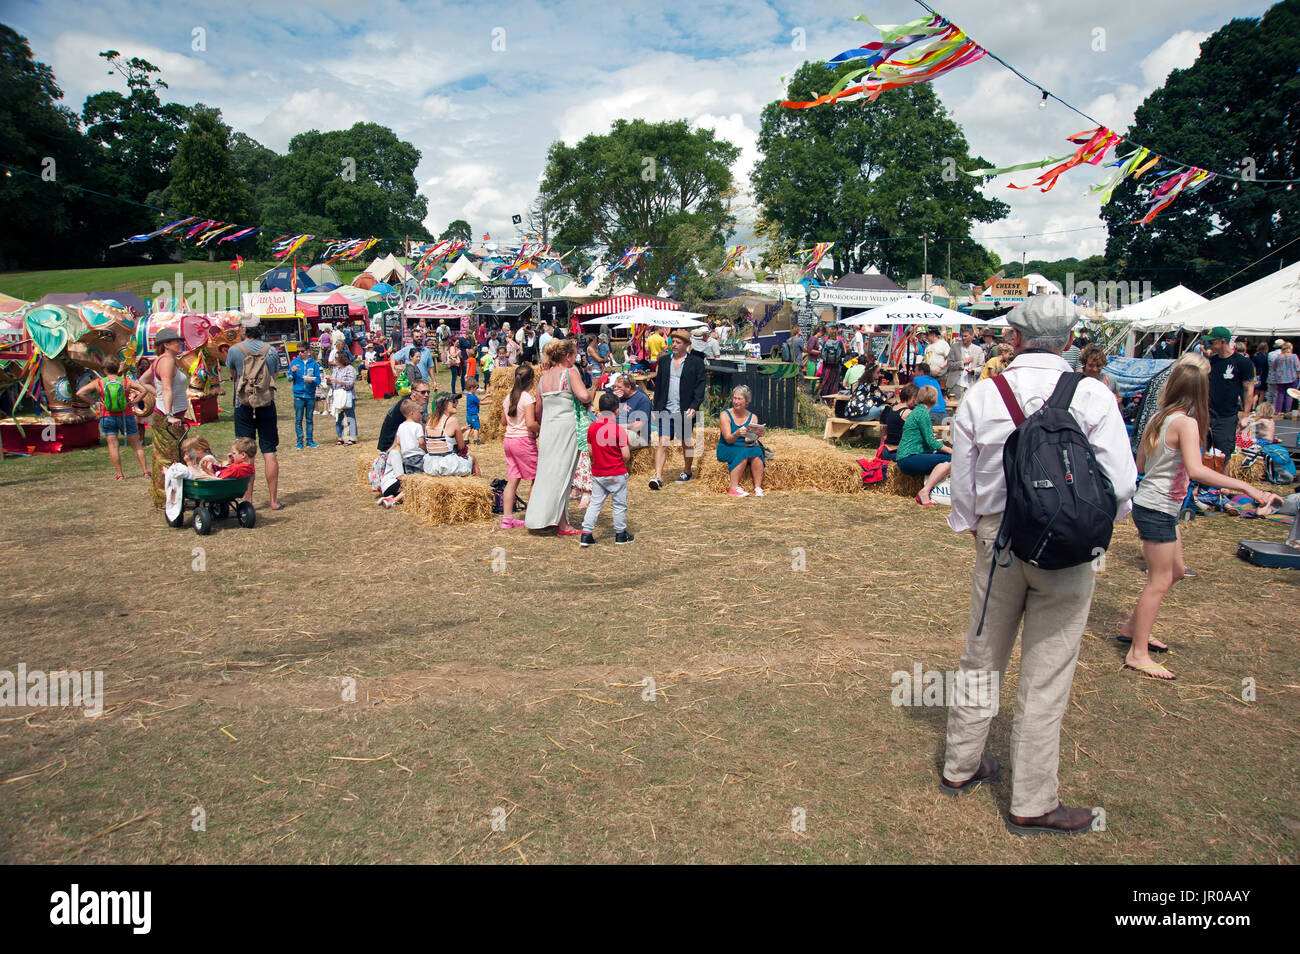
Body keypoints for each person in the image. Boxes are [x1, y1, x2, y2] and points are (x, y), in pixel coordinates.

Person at [941, 296, 1138, 836]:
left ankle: (961, 765)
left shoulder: (984, 393)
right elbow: (1122, 484)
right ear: (1070, 342)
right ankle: (1031, 800)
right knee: (1046, 673)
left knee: (982, 655)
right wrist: (1090, 526)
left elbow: (962, 480)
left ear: (1015, 339)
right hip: (1069, 549)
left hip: (998, 541)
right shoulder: (1095, 394)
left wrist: (972, 525)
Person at [1123, 362, 1280, 680]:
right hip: (1157, 508)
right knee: (1160, 581)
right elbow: (1196, 470)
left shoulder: (1159, 418)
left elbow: (1140, 461)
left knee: (1176, 572)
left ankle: (1133, 628)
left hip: (1157, 506)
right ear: (1200, 392)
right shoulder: (1185, 423)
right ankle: (1137, 653)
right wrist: (1248, 487)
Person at [525, 337, 590, 535]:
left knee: (546, 474)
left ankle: (542, 518)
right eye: (574, 355)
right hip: (566, 428)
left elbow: (538, 408)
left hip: (547, 429)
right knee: (564, 475)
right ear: (568, 356)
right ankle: (561, 524)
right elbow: (584, 396)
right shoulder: (570, 372)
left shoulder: (544, 377)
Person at [226, 320, 282, 511]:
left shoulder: (234, 350)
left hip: (243, 404)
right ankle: (273, 500)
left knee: (245, 453)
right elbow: (274, 376)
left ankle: (248, 499)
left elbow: (233, 375)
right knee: (269, 452)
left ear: (244, 330)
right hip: (266, 403)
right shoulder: (271, 350)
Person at [649, 329, 707, 490]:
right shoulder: (665, 361)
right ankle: (658, 477)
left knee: (686, 441)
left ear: (687, 345)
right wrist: (656, 409)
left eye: (678, 342)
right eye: (673, 341)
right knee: (663, 441)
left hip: (685, 409)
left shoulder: (696, 363)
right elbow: (659, 386)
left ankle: (687, 470)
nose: (674, 344)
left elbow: (700, 387)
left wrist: (695, 406)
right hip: (666, 409)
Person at [75, 356, 150, 480]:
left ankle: (120, 474)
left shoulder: (99, 382)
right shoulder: (125, 381)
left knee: (113, 445)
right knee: (136, 444)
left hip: (107, 416)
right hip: (126, 415)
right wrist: (133, 402)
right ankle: (145, 471)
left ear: (104, 369)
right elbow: (143, 390)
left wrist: (94, 402)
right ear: (117, 368)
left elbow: (80, 393)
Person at [140, 327, 190, 509]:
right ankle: (169, 499)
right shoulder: (167, 361)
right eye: (177, 341)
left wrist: (158, 396)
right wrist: (169, 414)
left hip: (171, 415)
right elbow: (167, 388)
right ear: (166, 345)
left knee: (174, 455)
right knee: (171, 458)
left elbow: (143, 382)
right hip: (169, 417)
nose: (181, 343)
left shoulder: (160, 361)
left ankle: (171, 497)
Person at [579, 391, 634, 547]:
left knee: (595, 503)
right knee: (619, 505)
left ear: (599, 409)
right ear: (616, 411)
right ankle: (621, 534)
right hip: (616, 473)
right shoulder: (619, 430)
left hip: (599, 473)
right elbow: (626, 455)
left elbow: (590, 451)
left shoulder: (591, 428)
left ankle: (586, 534)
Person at [1203, 327, 1255, 458]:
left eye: (1212, 342)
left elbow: (1248, 389)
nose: (1208, 345)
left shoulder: (1242, 362)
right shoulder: (1211, 361)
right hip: (1207, 414)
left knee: (1223, 456)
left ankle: (1222, 478)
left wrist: (1245, 415)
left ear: (1223, 341)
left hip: (1226, 417)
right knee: (1204, 454)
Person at [500, 363, 540, 529]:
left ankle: (507, 519)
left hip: (508, 440)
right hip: (523, 441)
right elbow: (530, 423)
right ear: (531, 381)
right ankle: (532, 515)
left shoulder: (508, 398)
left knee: (513, 480)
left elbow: (503, 422)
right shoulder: (528, 399)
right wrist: (540, 429)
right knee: (536, 478)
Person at [897, 385, 952, 506]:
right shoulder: (923, 414)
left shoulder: (918, 411)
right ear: (935, 400)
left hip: (906, 456)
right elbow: (931, 441)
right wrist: (951, 450)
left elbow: (927, 439)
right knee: (951, 460)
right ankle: (925, 491)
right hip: (909, 458)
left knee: (944, 457)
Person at [716, 385, 766, 497]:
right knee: (743, 453)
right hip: (727, 447)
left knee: (757, 452)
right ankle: (733, 488)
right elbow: (728, 439)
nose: (735, 401)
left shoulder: (753, 417)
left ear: (747, 402)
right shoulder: (725, 415)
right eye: (734, 398)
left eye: (739, 399)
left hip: (744, 445)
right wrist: (737, 434)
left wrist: (757, 435)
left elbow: (749, 439)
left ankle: (758, 488)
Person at [423, 393, 479, 476]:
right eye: (453, 401)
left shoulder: (429, 421)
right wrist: (459, 435)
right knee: (473, 459)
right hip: (446, 465)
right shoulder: (452, 420)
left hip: (430, 465)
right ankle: (481, 487)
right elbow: (461, 447)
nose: (456, 403)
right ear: (445, 404)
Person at [288, 344, 322, 450]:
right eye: (298, 351)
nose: (300, 353)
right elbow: (289, 378)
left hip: (310, 395)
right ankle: (299, 441)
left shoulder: (314, 364)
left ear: (308, 351)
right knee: (298, 419)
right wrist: (292, 373)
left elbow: (318, 380)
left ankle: (309, 440)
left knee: (309, 419)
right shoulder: (294, 362)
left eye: (302, 351)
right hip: (298, 395)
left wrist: (311, 381)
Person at [378, 382, 429, 452]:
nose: (426, 395)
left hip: (392, 442)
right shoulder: (410, 406)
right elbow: (421, 426)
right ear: (413, 392)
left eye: (428, 392)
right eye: (423, 392)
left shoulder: (408, 402)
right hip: (391, 445)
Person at [878, 383, 917, 461]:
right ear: (912, 398)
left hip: (885, 452)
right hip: (897, 454)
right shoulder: (908, 412)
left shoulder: (892, 408)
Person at [613, 373, 653, 449]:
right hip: (620, 429)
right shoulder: (619, 397)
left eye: (619, 387)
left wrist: (617, 427)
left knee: (615, 436)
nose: (615, 389)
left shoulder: (642, 400)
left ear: (628, 387)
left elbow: (638, 426)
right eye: (614, 386)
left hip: (639, 436)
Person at [327, 349, 358, 445]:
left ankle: (352, 437)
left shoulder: (350, 369)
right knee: (338, 417)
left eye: (336, 358)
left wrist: (338, 381)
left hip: (347, 395)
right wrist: (329, 381)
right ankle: (340, 437)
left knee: (350, 417)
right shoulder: (335, 370)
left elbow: (350, 383)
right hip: (337, 396)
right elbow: (332, 384)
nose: (335, 360)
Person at [818, 326, 847, 397]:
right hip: (836, 366)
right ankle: (831, 399)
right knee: (834, 383)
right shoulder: (839, 343)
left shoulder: (826, 342)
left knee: (825, 381)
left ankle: (823, 396)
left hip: (826, 366)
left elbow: (822, 354)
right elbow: (843, 354)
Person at [1272, 341, 1298, 413]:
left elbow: (1274, 367)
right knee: (1289, 394)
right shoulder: (1294, 356)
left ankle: (1278, 410)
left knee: (1280, 394)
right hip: (1291, 378)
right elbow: (1298, 367)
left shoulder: (1278, 357)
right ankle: (1287, 410)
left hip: (1280, 378)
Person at [958, 329, 984, 396]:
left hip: (971, 383)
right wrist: (963, 362)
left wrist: (973, 371)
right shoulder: (955, 348)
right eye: (962, 336)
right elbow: (950, 364)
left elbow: (982, 367)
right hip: (957, 384)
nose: (963, 338)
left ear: (972, 336)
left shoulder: (978, 350)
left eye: (966, 336)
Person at [1252, 343, 1270, 409]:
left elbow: (1252, 366)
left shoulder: (1254, 355)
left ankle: (1253, 407)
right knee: (1262, 393)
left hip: (1256, 375)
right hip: (1264, 375)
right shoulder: (1267, 356)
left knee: (1255, 393)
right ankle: (1259, 407)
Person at [464, 378, 482, 444]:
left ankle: (465, 439)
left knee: (469, 427)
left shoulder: (469, 395)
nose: (476, 390)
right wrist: (490, 402)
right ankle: (476, 440)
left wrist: (487, 396)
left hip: (468, 415)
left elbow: (479, 399)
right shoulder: (473, 397)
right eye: (475, 388)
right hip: (473, 415)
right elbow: (480, 402)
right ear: (471, 388)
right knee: (476, 427)